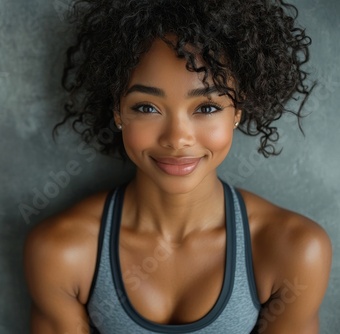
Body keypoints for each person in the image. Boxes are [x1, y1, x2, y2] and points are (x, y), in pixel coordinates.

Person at [23, 0, 332, 333]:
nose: (177, 138)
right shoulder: (60, 251)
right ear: (117, 111)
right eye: (146, 107)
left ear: (238, 110)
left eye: (207, 108)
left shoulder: (294, 249)